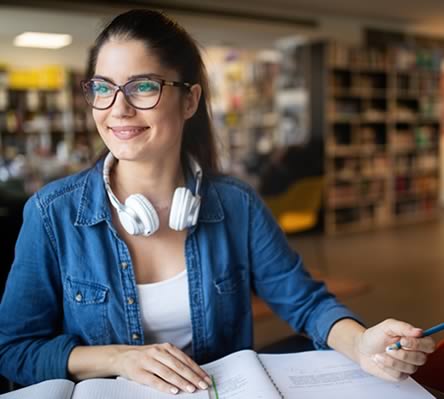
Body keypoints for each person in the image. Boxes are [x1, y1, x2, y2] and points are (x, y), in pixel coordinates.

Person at [0, 9, 435, 396]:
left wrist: (360, 343)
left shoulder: (236, 205)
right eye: (103, 88)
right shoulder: (51, 213)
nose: (118, 109)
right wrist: (117, 359)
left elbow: (306, 302)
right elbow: (14, 350)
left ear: (189, 100)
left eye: (143, 86)